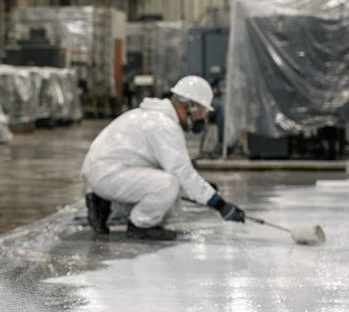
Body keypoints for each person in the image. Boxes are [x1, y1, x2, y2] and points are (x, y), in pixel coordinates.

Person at [81, 75, 245, 240]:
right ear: (191, 106)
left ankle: (103, 205)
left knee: (170, 199)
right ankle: (140, 226)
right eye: (201, 111)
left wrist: (204, 189)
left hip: (104, 172)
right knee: (167, 185)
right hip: (106, 175)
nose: (201, 118)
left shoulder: (154, 116)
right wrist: (219, 204)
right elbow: (182, 173)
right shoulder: (163, 125)